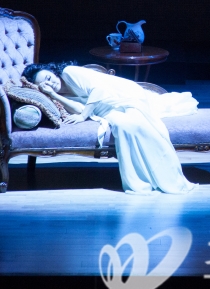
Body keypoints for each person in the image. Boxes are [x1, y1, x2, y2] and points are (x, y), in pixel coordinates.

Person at [22, 62, 198, 195]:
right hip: (107, 111)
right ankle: (142, 180)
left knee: (135, 124)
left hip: (124, 97)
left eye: (49, 78)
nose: (50, 83)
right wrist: (53, 95)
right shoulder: (57, 94)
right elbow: (79, 109)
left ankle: (165, 176)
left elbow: (98, 90)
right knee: (122, 126)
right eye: (44, 85)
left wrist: (83, 117)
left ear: (53, 72)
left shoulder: (69, 72)